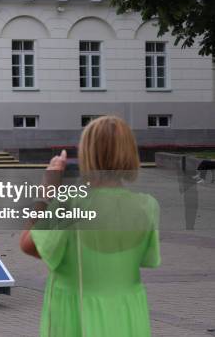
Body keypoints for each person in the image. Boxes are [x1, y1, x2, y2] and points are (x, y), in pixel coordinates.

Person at [20, 116, 161, 337]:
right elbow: (146, 258)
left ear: (87, 154)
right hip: (128, 316)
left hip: (77, 316)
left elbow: (29, 245)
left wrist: (46, 192)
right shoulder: (147, 206)